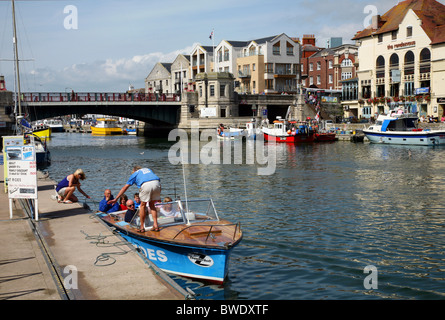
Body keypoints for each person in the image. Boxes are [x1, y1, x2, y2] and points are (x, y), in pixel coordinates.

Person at [108, 166, 161, 232]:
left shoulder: (135, 174)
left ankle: (142, 227)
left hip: (146, 185)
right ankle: (155, 225)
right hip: (157, 183)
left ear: (134, 171)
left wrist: (116, 198)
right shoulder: (147, 169)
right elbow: (154, 178)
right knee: (152, 205)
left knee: (142, 206)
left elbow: (125, 187)